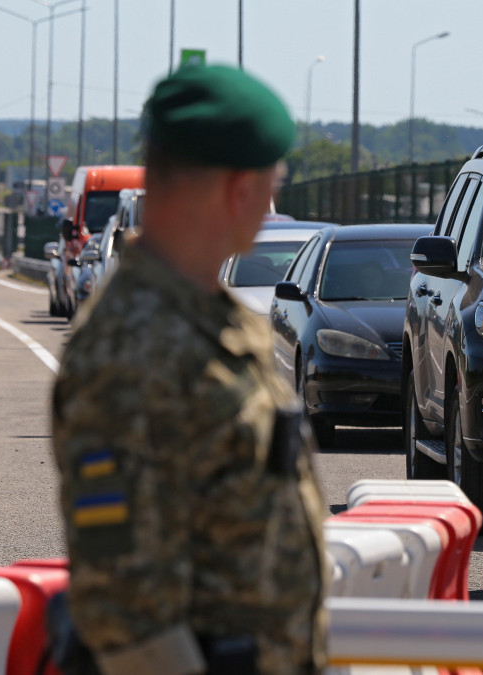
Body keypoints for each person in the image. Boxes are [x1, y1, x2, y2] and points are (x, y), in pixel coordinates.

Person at [51, 64, 327, 675]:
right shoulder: (131, 348)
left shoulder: (220, 320)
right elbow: (126, 607)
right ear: (238, 188)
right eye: (271, 180)